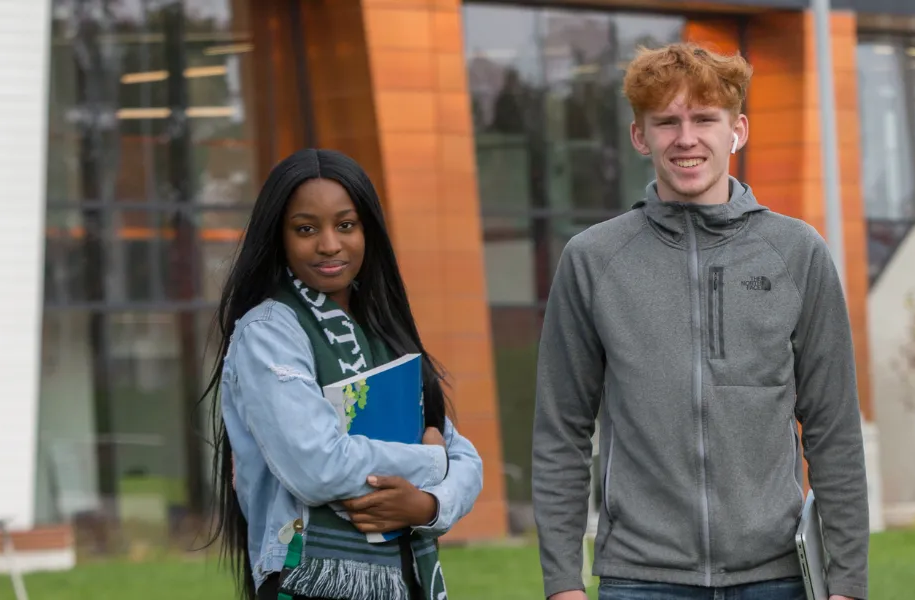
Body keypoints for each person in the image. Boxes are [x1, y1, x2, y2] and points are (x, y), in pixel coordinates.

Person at [532, 42, 868, 600]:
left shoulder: (796, 252)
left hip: (776, 575)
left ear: (737, 130)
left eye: (705, 119)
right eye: (666, 122)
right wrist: (562, 583)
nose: (685, 138)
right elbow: (561, 430)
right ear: (640, 136)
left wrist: (849, 581)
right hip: (639, 577)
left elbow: (834, 428)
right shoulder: (593, 258)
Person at [205, 149, 485, 600]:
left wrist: (427, 505)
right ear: (279, 238)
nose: (329, 244)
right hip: (308, 582)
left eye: (346, 225)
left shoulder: (383, 333)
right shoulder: (269, 332)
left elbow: (469, 461)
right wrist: (432, 463)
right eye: (306, 229)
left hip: (403, 581)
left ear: (368, 232)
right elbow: (316, 465)